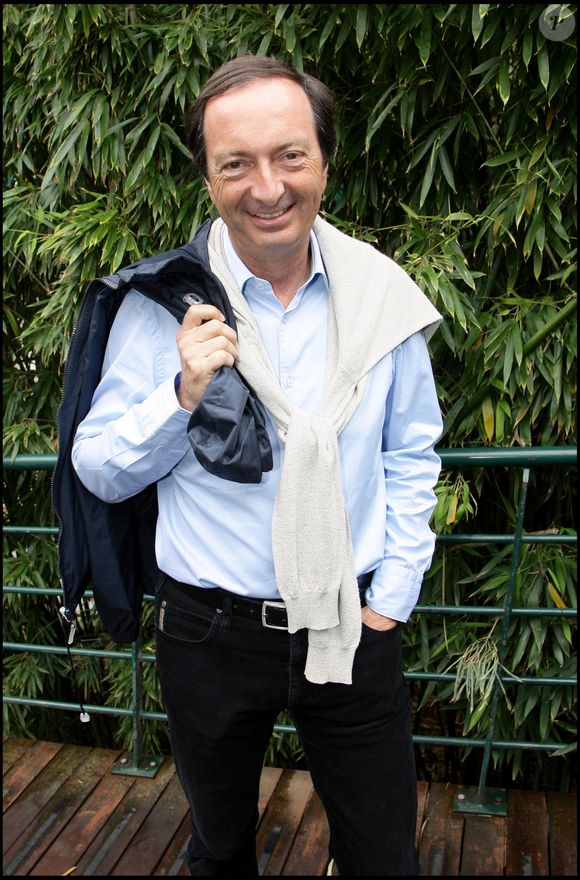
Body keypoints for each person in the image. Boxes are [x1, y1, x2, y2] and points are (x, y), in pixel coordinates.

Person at [71, 54, 443, 876]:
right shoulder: (163, 300)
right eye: (235, 163)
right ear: (208, 177)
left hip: (353, 624)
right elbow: (97, 469)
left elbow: (412, 451)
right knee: (219, 850)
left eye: (289, 156)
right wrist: (181, 390)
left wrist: (394, 599)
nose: (266, 187)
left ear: (324, 159)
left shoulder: (383, 296)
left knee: (385, 857)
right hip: (207, 632)